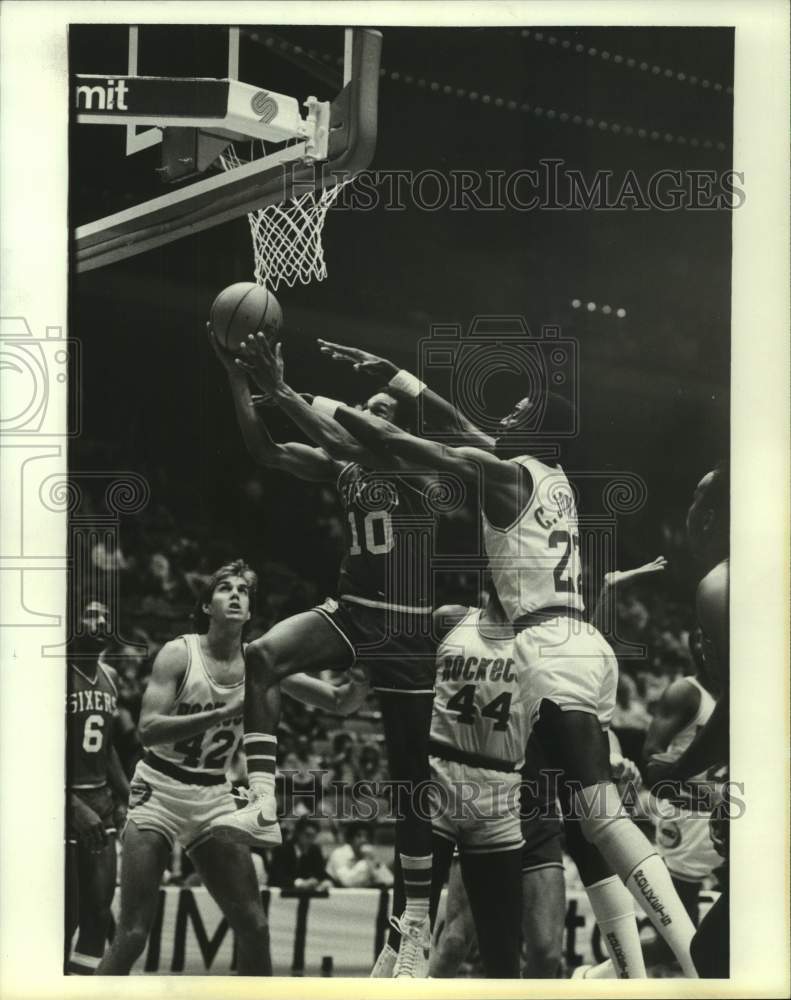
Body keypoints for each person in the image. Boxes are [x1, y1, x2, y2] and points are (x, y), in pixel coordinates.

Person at [330, 387, 700, 977]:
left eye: (520, 410)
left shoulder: (505, 477)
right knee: (588, 829)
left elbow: (399, 442)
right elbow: (463, 430)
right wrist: (401, 382)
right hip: (580, 646)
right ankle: (627, 972)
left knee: (600, 820)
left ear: (536, 432)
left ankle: (688, 952)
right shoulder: (552, 478)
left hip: (548, 649)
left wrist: (312, 399)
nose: (506, 413)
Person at [207, 329, 439, 977]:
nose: (373, 412)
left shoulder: (420, 461)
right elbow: (264, 449)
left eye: (384, 409)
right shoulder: (344, 463)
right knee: (259, 656)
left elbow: (339, 435)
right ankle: (261, 796)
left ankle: (411, 926)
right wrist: (236, 379)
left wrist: (279, 387)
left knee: (410, 791)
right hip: (353, 608)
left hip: (406, 627)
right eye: (368, 405)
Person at [96, 561, 272, 975]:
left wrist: (353, 686)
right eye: (224, 588)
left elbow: (335, 701)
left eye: (242, 591)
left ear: (249, 611)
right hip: (159, 787)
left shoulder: (259, 661)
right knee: (134, 934)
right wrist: (221, 712)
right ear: (207, 606)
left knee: (255, 926)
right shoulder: (179, 652)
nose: (234, 594)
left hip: (213, 794)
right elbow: (148, 730)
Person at [645, 463, 730, 977]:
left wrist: (682, 777)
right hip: (689, 837)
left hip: (720, 820)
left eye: (696, 501)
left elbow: (744, 705)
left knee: (709, 955)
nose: (688, 513)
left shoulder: (721, 584)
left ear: (711, 517)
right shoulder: (684, 692)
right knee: (691, 952)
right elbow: (649, 761)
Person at [66, 599, 130, 974]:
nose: (102, 620)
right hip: (62, 806)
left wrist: (129, 797)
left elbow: (107, 750)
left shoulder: (111, 677)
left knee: (98, 915)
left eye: (106, 615)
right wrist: (71, 803)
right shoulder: (52, 676)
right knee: (64, 921)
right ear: (73, 624)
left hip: (101, 803)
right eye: (92, 614)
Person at [268, 817, 333, 892]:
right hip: (283, 895)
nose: (311, 840)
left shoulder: (314, 850)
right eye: (307, 835)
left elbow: (321, 873)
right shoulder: (282, 850)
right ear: (298, 833)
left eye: (314, 836)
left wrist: (327, 881)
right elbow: (275, 877)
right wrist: (299, 883)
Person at [327, 824, 395, 889]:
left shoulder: (368, 856)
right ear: (350, 839)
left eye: (367, 837)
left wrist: (373, 861)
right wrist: (365, 862)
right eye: (359, 836)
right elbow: (346, 882)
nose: (364, 840)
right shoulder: (339, 854)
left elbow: (389, 880)